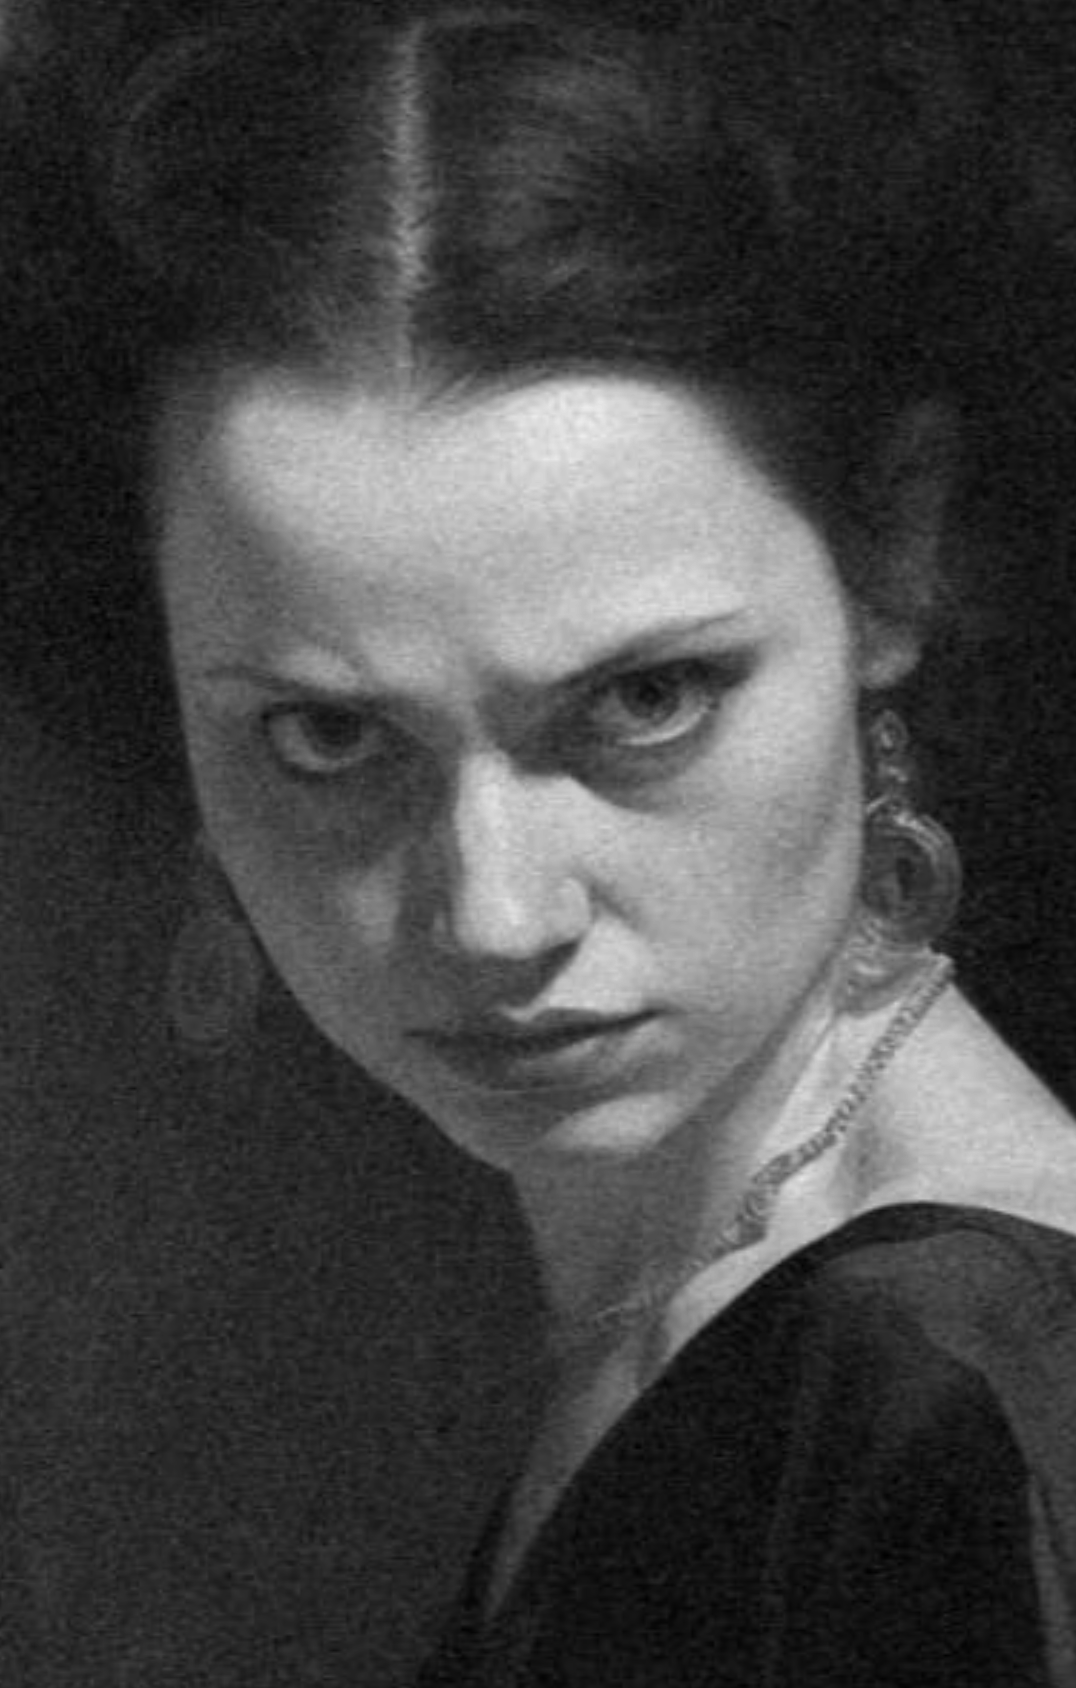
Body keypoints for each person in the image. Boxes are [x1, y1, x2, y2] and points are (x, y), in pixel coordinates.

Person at [5, 0, 1076, 1681]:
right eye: (330, 736)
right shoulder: (696, 1290)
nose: (494, 915)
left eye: (646, 699)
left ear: (896, 558)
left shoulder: (951, 1383)